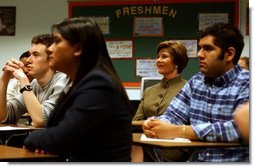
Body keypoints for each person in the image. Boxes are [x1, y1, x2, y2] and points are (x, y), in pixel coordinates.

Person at [23, 17, 133, 162]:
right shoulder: (78, 82)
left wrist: (32, 138)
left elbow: (61, 137)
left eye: (56, 42)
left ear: (78, 49)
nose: (49, 49)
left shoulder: (98, 84)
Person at [142, 23, 249, 162]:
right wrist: (154, 124)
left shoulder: (247, 83)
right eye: (200, 48)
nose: (199, 54)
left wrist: (182, 131)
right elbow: (173, 115)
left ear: (229, 54)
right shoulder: (196, 82)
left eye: (208, 49)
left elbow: (240, 128)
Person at [132, 40, 189, 162]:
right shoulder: (149, 91)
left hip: (175, 149)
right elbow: (136, 122)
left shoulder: (189, 89)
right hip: (147, 145)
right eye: (158, 57)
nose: (158, 60)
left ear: (177, 63)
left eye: (164, 57)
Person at [0, 34, 70, 127]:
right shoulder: (35, 84)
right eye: (30, 55)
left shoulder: (63, 81)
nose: (28, 60)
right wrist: (4, 79)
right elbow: (4, 117)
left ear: (51, 60)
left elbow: (41, 120)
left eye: (35, 55)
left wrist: (23, 79)